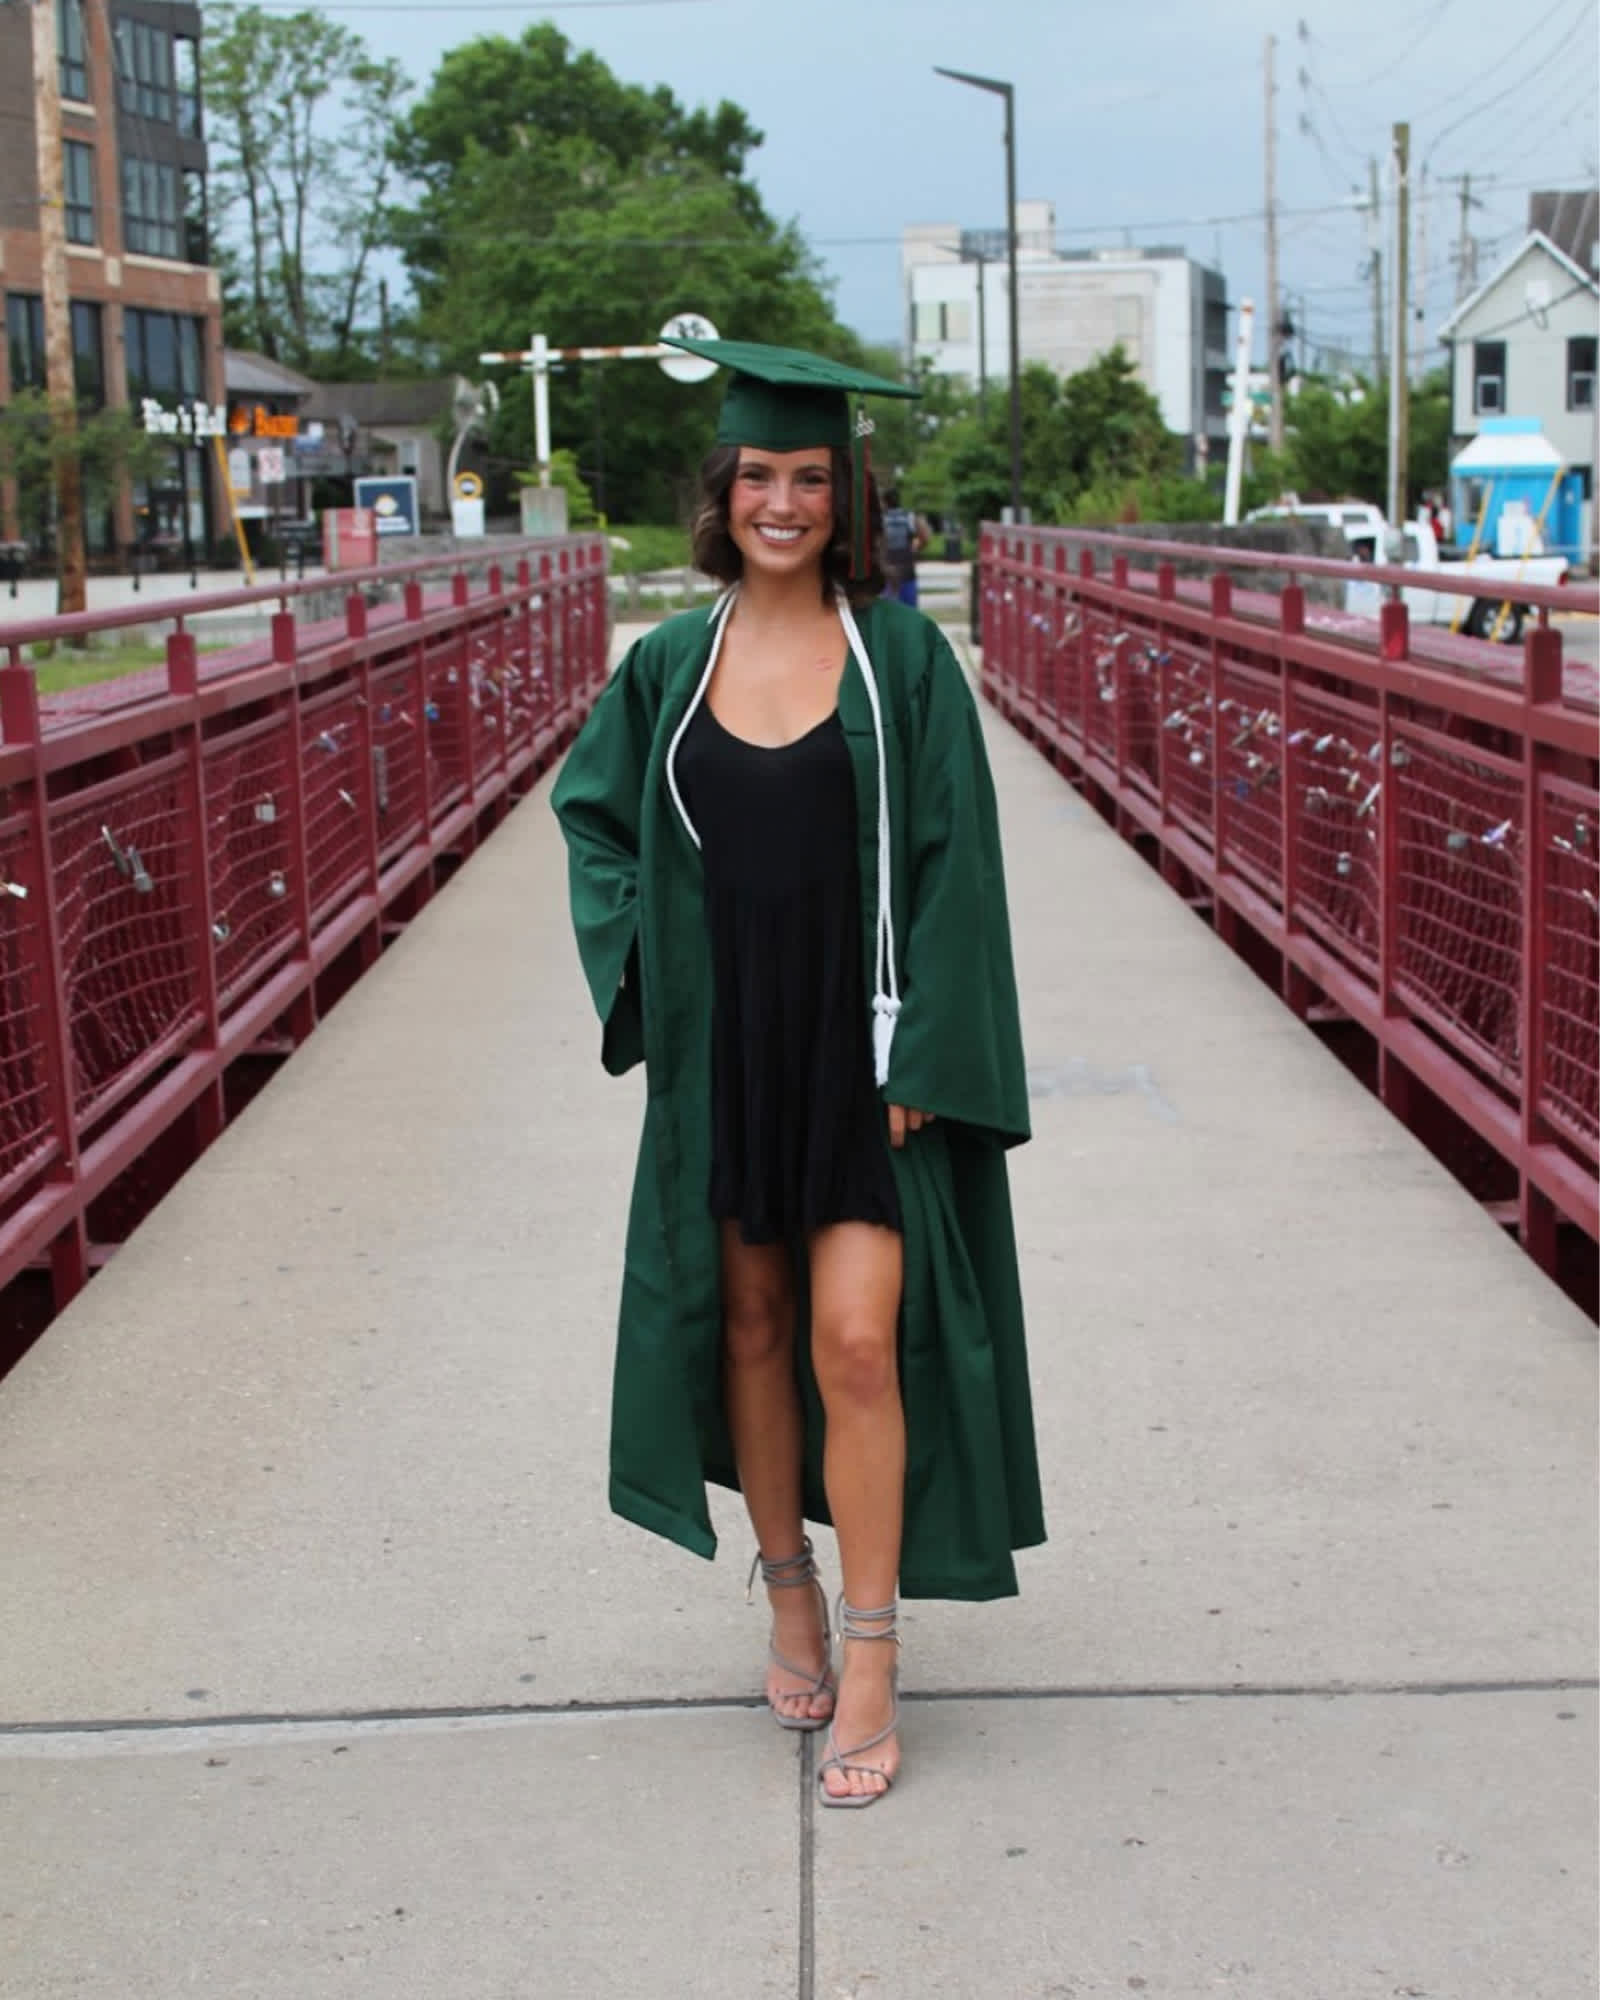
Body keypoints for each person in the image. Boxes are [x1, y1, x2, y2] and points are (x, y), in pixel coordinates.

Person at [551, 337, 1043, 1809]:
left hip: (866, 1049)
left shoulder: (901, 665)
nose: (783, 501)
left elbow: (959, 863)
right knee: (753, 1330)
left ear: (847, 494)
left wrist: (935, 1048)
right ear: (724, 495)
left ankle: (877, 1651)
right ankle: (788, 1598)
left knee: (852, 1344)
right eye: (758, 476)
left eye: (810, 478)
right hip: (731, 1054)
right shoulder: (667, 664)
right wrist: (652, 973)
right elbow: (594, 824)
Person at [879, 484, 930, 606]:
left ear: (884, 502)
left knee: (887, 613)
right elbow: (925, 537)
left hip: (887, 574)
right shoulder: (909, 517)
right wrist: (915, 548)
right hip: (907, 571)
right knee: (909, 613)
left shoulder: (880, 519)